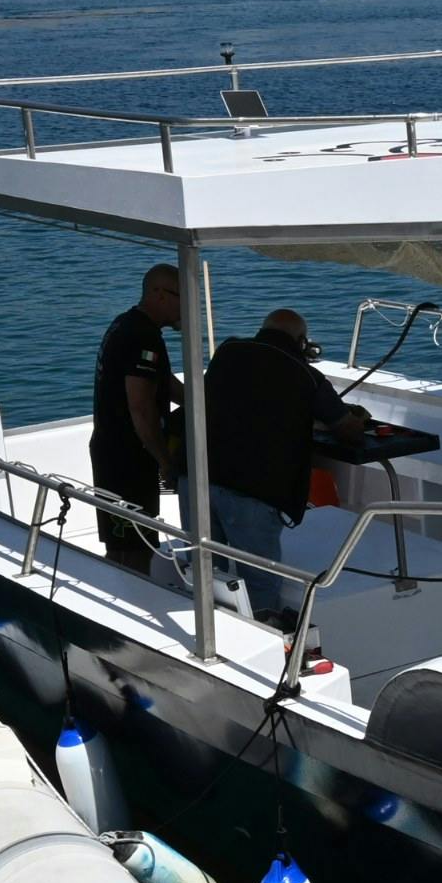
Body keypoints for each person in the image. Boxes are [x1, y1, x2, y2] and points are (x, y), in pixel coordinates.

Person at [201, 308, 366, 624]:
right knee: (260, 580)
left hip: (197, 477)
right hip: (248, 488)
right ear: (301, 341)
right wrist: (356, 419)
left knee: (206, 569)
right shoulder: (305, 374)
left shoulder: (228, 351)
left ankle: (213, 630)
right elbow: (347, 430)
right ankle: (261, 636)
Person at [88, 264, 182, 574]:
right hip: (128, 459)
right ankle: (131, 595)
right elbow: (141, 407)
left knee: (122, 543)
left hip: (111, 450)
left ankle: (118, 590)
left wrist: (204, 403)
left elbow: (161, 381)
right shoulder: (143, 337)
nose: (186, 308)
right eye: (182, 298)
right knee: (137, 547)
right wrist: (164, 461)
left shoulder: (126, 324)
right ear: (159, 294)